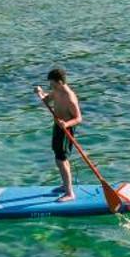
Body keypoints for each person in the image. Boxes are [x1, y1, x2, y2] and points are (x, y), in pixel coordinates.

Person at [36, 67, 82, 198]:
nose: (51, 86)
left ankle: (69, 193)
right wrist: (40, 93)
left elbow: (78, 118)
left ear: (60, 82)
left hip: (66, 129)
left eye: (52, 83)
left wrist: (66, 124)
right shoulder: (56, 91)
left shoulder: (70, 97)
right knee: (59, 158)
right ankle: (65, 185)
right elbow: (46, 100)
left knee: (61, 160)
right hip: (57, 127)